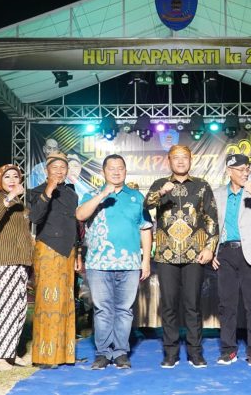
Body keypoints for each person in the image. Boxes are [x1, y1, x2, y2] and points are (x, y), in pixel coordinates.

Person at [144, 145, 218, 369]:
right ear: (169, 161)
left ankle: (195, 353)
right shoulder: (159, 184)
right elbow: (146, 205)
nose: (180, 161)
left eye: (184, 157)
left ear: (190, 160)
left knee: (193, 305)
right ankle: (170, 353)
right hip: (166, 256)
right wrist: (161, 192)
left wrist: (210, 247)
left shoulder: (202, 186)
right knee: (168, 306)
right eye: (176, 158)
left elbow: (211, 218)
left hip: (194, 255)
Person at [76, 154, 153, 370]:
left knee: (124, 310)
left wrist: (146, 260)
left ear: (126, 171)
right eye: (112, 168)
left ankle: (120, 352)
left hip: (129, 264)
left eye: (120, 168)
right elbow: (80, 215)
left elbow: (146, 229)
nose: (116, 171)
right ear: (103, 172)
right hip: (99, 264)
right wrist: (102, 195)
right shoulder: (92, 194)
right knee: (102, 310)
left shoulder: (137, 197)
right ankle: (102, 353)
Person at [212, 153, 251, 366]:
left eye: (247, 169)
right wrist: (212, 252)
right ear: (229, 171)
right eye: (240, 169)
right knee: (226, 304)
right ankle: (228, 350)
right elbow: (211, 225)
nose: (245, 173)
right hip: (225, 254)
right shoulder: (217, 194)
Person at [28, 151, 81, 368]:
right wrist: (48, 191)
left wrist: (78, 253)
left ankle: (65, 355)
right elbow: (35, 217)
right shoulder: (36, 191)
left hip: (68, 251)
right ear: (46, 170)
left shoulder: (72, 193)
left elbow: (75, 225)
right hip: (48, 249)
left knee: (66, 301)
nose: (59, 171)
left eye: (63, 168)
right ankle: (45, 356)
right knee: (48, 302)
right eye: (55, 168)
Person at [0, 164, 33, 371]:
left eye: (16, 176)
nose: (12, 180)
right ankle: (0, 357)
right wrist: (11, 195)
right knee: (6, 308)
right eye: (7, 177)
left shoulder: (20, 204)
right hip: (4, 261)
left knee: (19, 309)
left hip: (21, 262)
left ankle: (11, 353)